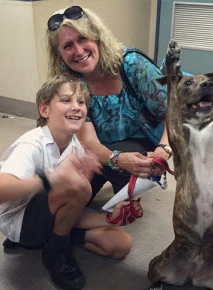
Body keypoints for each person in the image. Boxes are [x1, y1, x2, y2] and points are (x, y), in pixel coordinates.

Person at [0, 75, 135, 290]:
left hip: (56, 216)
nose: (77, 107)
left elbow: (72, 206)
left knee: (121, 245)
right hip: (22, 221)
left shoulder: (74, 145)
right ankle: (55, 252)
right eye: (66, 100)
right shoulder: (31, 145)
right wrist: (50, 178)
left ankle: (51, 239)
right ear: (45, 110)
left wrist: (110, 218)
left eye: (81, 102)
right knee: (78, 187)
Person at [45, 6, 173, 206]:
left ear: (97, 37)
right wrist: (119, 160)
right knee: (62, 197)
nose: (79, 51)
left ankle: (127, 186)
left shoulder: (132, 64)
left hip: (142, 143)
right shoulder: (69, 82)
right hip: (99, 151)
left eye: (83, 39)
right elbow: (89, 142)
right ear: (59, 54)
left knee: (123, 184)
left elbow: (173, 114)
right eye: (68, 46)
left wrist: (163, 150)